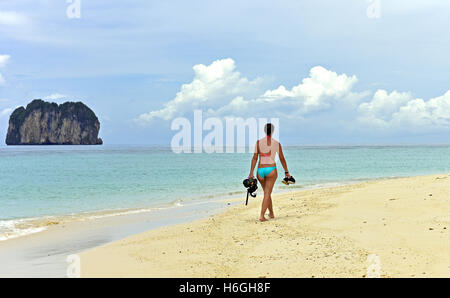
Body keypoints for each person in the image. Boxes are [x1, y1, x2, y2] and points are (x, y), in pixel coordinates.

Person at [248, 123, 291, 222]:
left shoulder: (258, 143)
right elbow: (282, 158)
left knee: (267, 192)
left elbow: (254, 158)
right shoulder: (276, 143)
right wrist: (286, 172)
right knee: (267, 193)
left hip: (260, 170)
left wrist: (251, 173)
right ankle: (262, 216)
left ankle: (271, 213)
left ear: (264, 131)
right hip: (271, 169)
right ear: (272, 131)